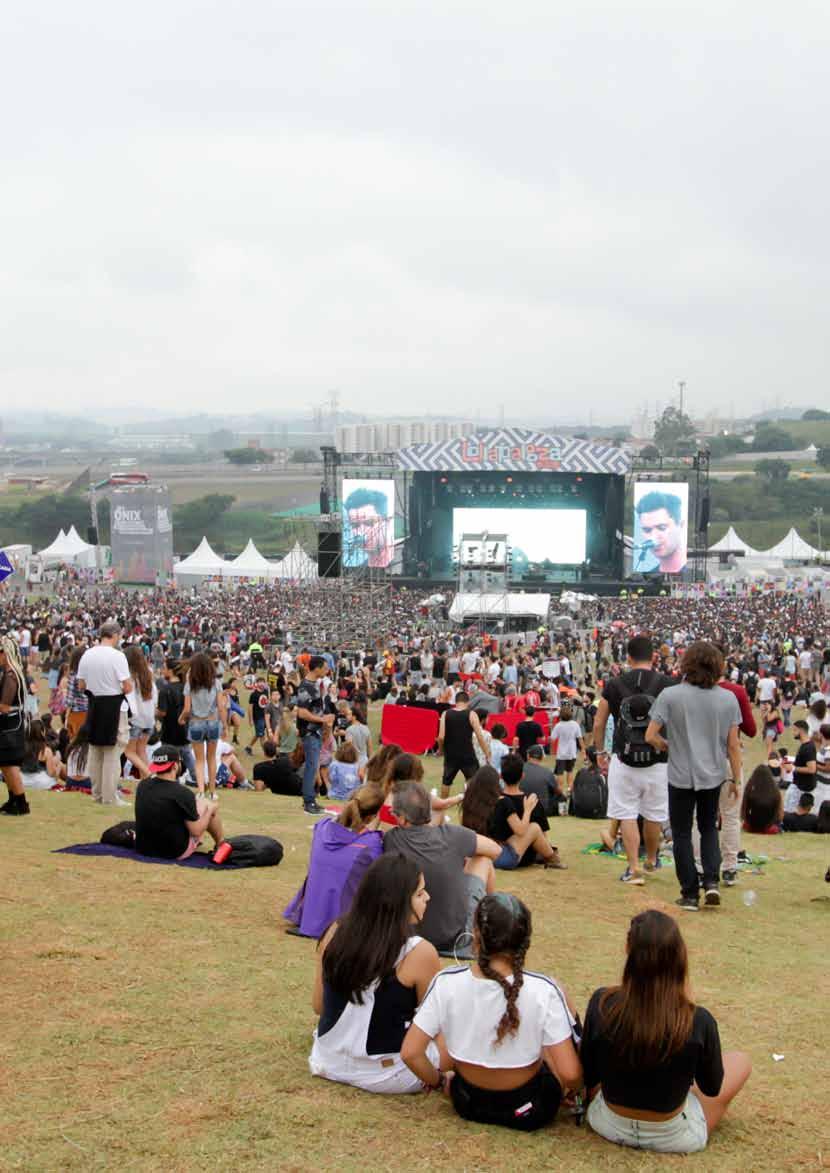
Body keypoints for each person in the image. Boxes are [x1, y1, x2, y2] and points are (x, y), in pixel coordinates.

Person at [401, 893, 582, 1131]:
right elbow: (569, 1073)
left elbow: (411, 1053)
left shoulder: (446, 982)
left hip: (467, 1102)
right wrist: (576, 1089)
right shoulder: (544, 990)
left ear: (476, 935)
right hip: (531, 1109)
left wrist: (440, 1081)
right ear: (525, 939)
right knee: (552, 1032)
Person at [581, 909, 751, 1153]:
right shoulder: (698, 1019)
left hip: (607, 1123)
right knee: (741, 1061)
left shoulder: (602, 1003)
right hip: (673, 1136)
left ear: (628, 950)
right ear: (679, 956)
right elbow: (712, 1087)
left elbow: (588, 1073)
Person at [309, 854, 441, 1092]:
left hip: (327, 1059)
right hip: (389, 1074)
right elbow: (434, 1026)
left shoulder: (334, 932)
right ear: (399, 902)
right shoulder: (421, 952)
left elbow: (319, 1006)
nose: (428, 898)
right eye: (420, 893)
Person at [646, 642, 742, 910]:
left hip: (679, 775)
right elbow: (733, 745)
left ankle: (689, 892)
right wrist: (736, 779)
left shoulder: (670, 695)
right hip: (713, 774)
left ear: (686, 664)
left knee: (681, 833)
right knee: (709, 827)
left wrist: (665, 745)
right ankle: (711, 881)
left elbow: (650, 735)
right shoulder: (727, 699)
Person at [384, 781, 499, 957]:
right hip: (456, 939)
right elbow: (495, 850)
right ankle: (491, 925)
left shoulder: (390, 840)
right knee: (483, 860)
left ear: (401, 818)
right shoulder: (453, 835)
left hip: (410, 937)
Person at [593, 635, 673, 885]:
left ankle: (633, 867)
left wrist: (599, 752)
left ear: (628, 657)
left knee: (625, 813)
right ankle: (650, 859)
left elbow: (599, 721)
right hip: (658, 758)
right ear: (654, 656)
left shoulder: (615, 684)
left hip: (624, 757)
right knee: (654, 814)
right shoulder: (668, 684)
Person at [135, 744, 225, 859]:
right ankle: (220, 844)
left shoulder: (143, 785)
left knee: (197, 803)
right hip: (174, 852)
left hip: (143, 848)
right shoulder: (182, 793)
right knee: (207, 805)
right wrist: (211, 809)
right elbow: (196, 831)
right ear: (175, 766)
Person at [77, 622, 132, 807]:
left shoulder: (87, 654)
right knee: (112, 751)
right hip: (113, 705)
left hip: (94, 703)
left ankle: (98, 793)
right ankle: (109, 796)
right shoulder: (118, 656)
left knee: (96, 750)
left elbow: (81, 685)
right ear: (115, 635)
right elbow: (127, 686)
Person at [488, 754, 566, 869]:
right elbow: (543, 836)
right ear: (522, 776)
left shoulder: (495, 800)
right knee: (535, 828)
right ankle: (552, 858)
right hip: (525, 857)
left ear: (501, 776)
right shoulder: (531, 801)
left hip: (498, 851)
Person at [180, 652, 225, 801]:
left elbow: (187, 709)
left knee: (199, 760)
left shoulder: (190, 684)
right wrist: (224, 725)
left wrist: (181, 718)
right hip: (212, 722)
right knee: (211, 758)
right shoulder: (216, 683)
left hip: (196, 722)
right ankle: (212, 791)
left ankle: (200, 790)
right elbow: (220, 706)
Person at [296, 656, 334, 815]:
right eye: (324, 667)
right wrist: (322, 719)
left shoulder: (315, 685)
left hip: (316, 731)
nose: (326, 670)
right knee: (311, 767)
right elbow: (302, 712)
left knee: (314, 766)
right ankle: (308, 802)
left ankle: (311, 799)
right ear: (316, 668)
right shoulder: (305, 686)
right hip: (310, 731)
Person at [437, 691, 490, 799]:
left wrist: (441, 750)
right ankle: (471, 805)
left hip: (451, 754)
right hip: (467, 754)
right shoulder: (471, 714)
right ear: (467, 701)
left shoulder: (445, 714)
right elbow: (480, 736)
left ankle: (442, 806)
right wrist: (487, 753)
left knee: (446, 781)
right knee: (472, 781)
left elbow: (441, 737)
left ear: (456, 701)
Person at [0, 635, 30, 815]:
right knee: (5, 765)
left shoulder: (11, 675)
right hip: (9, 725)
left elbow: (4, 706)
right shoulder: (10, 672)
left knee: (10, 766)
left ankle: (21, 802)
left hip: (10, 726)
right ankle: (13, 799)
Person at [124, 645, 157, 781]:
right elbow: (155, 696)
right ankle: (146, 781)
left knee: (129, 752)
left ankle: (149, 775)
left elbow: (130, 698)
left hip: (136, 720)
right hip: (149, 719)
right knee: (141, 750)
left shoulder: (130, 676)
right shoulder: (148, 673)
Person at [635, 490, 687, 574]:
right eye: (647, 530)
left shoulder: (695, 573)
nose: (653, 537)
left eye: (661, 527)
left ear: (680, 526)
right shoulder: (647, 575)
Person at [520, 744, 563, 817]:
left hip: (520, 807)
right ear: (542, 757)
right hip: (542, 810)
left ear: (528, 756)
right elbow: (559, 791)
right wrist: (557, 782)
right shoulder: (547, 772)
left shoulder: (518, 769)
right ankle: (562, 812)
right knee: (561, 796)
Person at [553, 701, 584, 795]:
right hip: (572, 753)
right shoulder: (575, 725)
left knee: (560, 773)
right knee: (570, 771)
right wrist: (583, 750)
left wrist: (551, 750)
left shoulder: (558, 726)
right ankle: (570, 789)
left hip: (561, 753)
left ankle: (560, 790)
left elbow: (553, 738)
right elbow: (580, 739)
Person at [741, 766, 783, 834]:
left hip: (752, 827)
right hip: (770, 828)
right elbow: (780, 814)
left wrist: (748, 821)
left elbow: (744, 810)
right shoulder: (775, 792)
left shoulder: (750, 791)